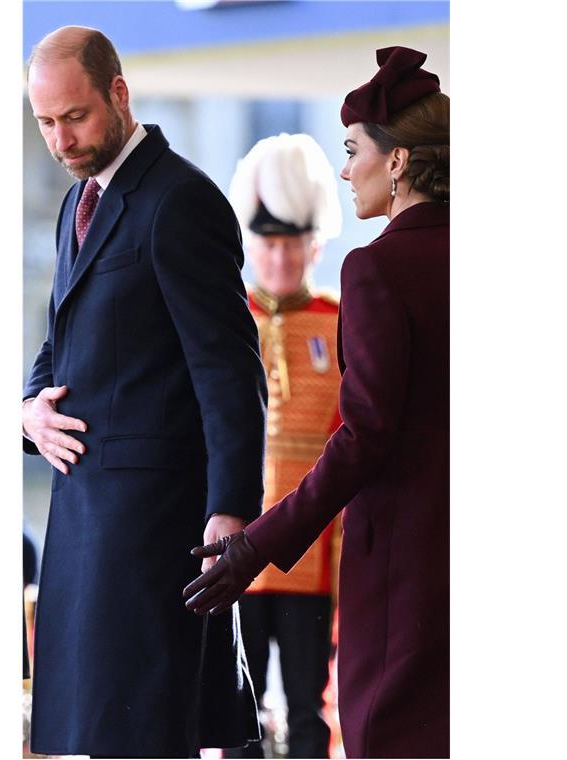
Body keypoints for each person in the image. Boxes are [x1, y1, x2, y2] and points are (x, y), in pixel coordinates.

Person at [183, 46, 450, 758]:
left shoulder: (373, 273)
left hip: (368, 562)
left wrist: (254, 546)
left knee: (338, 722)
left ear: (396, 162)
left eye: (353, 149)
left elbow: (362, 437)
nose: (344, 167)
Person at [21, 26, 267, 758]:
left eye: (76, 118)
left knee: (152, 739)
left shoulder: (180, 200)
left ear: (119, 95)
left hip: (154, 537)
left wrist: (230, 512)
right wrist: (28, 409)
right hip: (88, 528)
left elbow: (230, 369)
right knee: (102, 740)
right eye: (45, 123)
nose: (61, 140)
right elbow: (60, 337)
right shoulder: (77, 205)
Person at [224, 133, 343, 759]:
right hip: (236, 551)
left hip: (311, 557)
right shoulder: (228, 321)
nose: (279, 257)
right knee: (235, 714)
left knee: (307, 707)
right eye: (268, 243)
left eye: (291, 242)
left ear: (313, 245)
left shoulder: (339, 320)